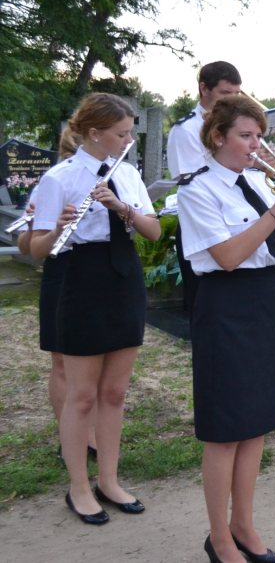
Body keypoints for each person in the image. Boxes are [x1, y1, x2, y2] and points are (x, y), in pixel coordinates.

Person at [177, 94, 275, 562]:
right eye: (246, 135)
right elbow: (227, 257)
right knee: (225, 429)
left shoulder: (259, 183)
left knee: (256, 424)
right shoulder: (197, 189)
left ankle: (243, 525)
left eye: (259, 135)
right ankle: (219, 538)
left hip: (265, 302)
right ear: (217, 137)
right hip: (226, 307)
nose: (256, 144)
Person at [29, 93, 161, 525]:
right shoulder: (60, 178)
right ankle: (78, 488)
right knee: (82, 394)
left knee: (115, 392)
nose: (127, 142)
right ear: (94, 134)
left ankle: (109, 480)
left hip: (123, 276)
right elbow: (37, 249)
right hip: (81, 278)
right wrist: (58, 228)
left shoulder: (128, 174)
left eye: (128, 134)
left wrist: (122, 208)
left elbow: (154, 231)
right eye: (121, 135)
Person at [17, 129, 99, 457]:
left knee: (93, 360)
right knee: (62, 360)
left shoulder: (111, 178)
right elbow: (26, 245)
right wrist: (39, 224)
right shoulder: (52, 182)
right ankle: (71, 439)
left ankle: (90, 434)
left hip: (96, 271)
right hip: (62, 271)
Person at [167, 61, 243, 313]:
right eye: (225, 93)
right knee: (205, 306)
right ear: (204, 89)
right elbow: (193, 181)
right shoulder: (186, 129)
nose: (232, 101)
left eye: (237, 93)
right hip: (202, 222)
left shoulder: (238, 126)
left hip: (236, 221)